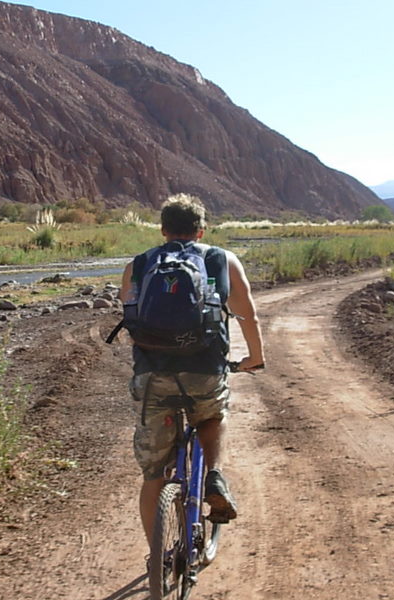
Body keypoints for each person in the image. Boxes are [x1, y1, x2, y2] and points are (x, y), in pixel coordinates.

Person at [118, 193, 265, 545]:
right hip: (205, 369)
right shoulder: (222, 259)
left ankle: (158, 556)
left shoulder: (138, 264)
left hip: (153, 375)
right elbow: (248, 315)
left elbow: (130, 318)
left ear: (163, 230)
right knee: (212, 418)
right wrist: (254, 357)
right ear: (201, 231)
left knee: (153, 476)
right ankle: (213, 474)